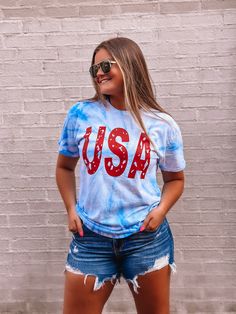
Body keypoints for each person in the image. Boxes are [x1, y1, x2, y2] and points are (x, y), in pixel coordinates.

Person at [56, 37, 185, 314]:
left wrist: (161, 211)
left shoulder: (162, 124)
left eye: (105, 65)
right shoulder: (81, 114)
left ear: (129, 65)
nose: (99, 73)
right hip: (90, 237)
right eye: (94, 69)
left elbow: (175, 180)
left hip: (145, 237)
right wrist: (70, 208)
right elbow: (64, 167)